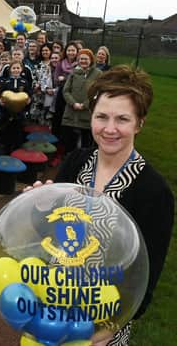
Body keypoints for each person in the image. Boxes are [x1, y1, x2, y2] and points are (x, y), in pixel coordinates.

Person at [40, 65, 174, 346]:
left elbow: (145, 277)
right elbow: (47, 233)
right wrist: (39, 206)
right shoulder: (76, 162)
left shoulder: (154, 191)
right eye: (101, 116)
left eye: (122, 119)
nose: (110, 129)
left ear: (139, 123)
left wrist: (110, 326)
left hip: (104, 324)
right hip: (52, 306)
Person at [61, 49, 102, 153]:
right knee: (69, 143)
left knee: (86, 144)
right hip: (71, 113)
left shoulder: (98, 74)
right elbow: (66, 90)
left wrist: (85, 105)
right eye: (81, 59)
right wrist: (73, 103)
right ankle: (70, 161)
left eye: (86, 59)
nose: (83, 61)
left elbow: (98, 92)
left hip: (87, 113)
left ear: (91, 60)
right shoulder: (73, 72)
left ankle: (85, 164)